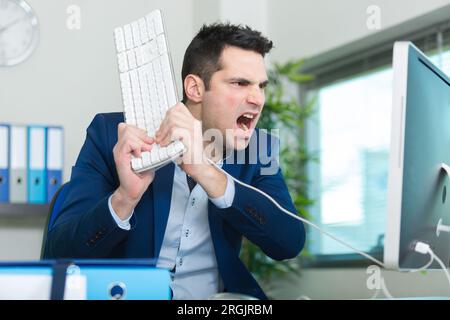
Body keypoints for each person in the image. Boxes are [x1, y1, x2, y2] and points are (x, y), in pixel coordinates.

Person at [44, 22, 305, 300]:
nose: (257, 99)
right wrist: (125, 198)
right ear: (194, 88)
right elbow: (58, 253)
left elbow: (288, 242)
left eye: (260, 86)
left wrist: (205, 171)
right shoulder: (112, 136)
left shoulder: (258, 150)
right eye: (239, 83)